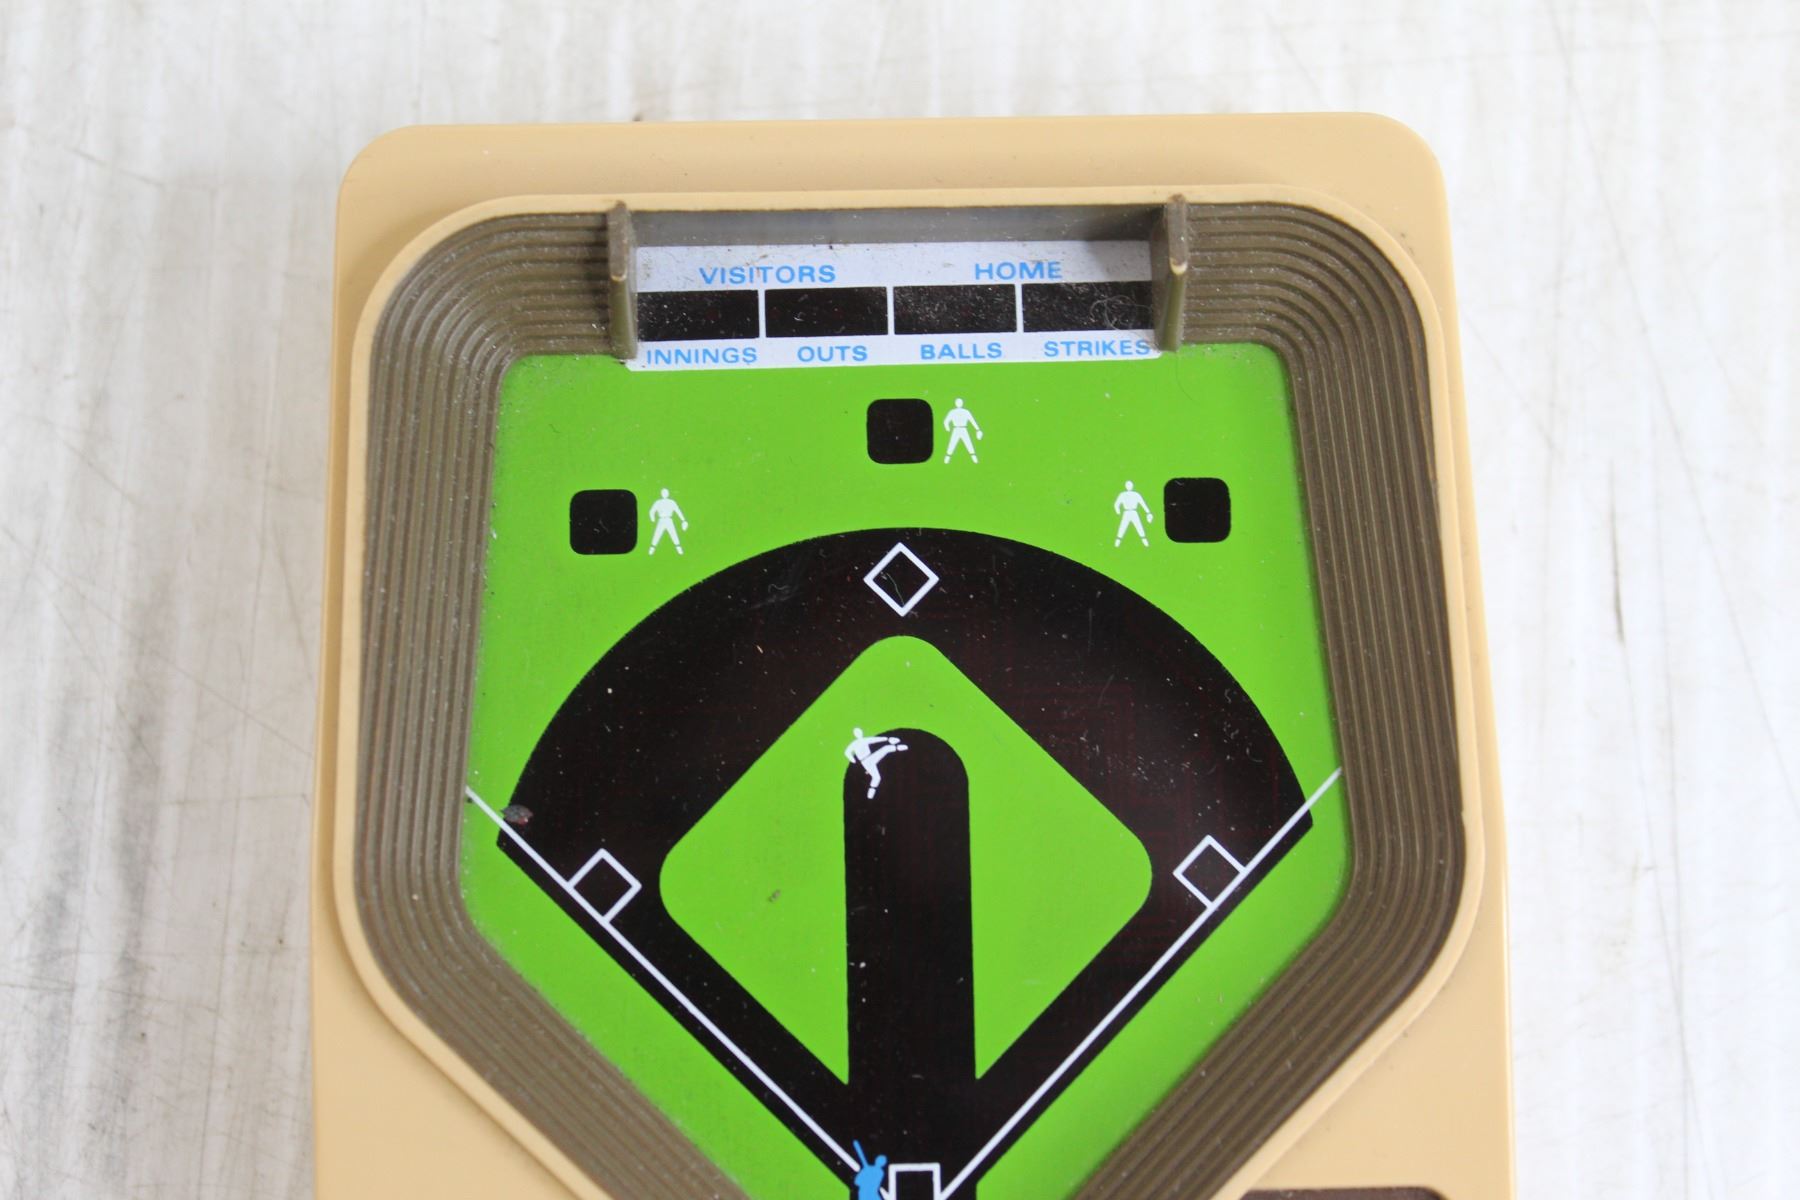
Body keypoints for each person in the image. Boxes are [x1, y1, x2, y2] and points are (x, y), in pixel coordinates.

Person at [845, 728, 907, 799]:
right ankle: (870, 796)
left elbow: (876, 740)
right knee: (886, 749)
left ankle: (870, 795)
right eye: (857, 732)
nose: (859, 733)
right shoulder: (855, 743)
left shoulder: (864, 740)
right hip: (867, 760)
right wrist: (853, 760)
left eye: (860, 732)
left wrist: (888, 739)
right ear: (855, 734)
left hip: (869, 759)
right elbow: (847, 752)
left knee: (877, 777)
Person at [647, 487, 688, 555]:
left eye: (665, 493)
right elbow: (651, 511)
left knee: (673, 534)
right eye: (663, 493)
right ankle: (651, 549)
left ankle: (679, 549)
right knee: (657, 534)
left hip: (669, 520)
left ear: (668, 493)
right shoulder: (658, 502)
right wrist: (652, 518)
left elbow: (678, 511)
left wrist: (683, 520)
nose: (664, 494)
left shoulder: (672, 502)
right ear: (661, 493)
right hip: (661, 520)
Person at [1112, 480, 1154, 547]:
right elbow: (1116, 504)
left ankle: (1146, 543)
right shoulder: (1122, 494)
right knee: (1122, 527)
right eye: (1128, 485)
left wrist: (1148, 512)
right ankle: (1117, 544)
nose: (1129, 486)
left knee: (1139, 527)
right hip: (1126, 513)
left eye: (1130, 485)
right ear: (1126, 486)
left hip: (1134, 513)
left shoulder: (1136, 494)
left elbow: (1143, 504)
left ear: (1132, 486)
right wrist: (1118, 511)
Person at [942, 398, 983, 463]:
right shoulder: (953, 412)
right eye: (958, 402)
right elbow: (946, 421)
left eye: (960, 402)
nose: (959, 404)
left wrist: (977, 429)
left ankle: (974, 458)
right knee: (952, 444)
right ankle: (947, 458)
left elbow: (972, 421)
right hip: (956, 429)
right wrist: (947, 428)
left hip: (963, 429)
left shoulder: (966, 412)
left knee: (968, 443)